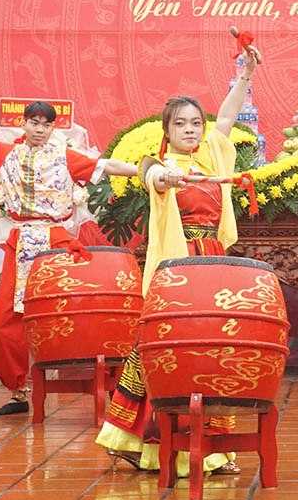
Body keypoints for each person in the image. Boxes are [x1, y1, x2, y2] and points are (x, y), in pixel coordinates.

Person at [95, 39, 260, 475]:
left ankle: (213, 449)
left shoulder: (210, 156)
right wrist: (164, 177)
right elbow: (154, 178)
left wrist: (246, 74)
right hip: (179, 268)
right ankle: (136, 440)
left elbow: (227, 116)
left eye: (195, 123)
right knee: (167, 348)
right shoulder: (157, 162)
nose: (190, 130)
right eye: (180, 124)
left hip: (213, 263)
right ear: (166, 131)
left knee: (212, 350)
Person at [0, 77, 133, 416]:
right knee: (5, 322)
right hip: (21, 242)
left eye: (46, 124)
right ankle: (18, 392)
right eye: (34, 122)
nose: (40, 129)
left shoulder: (65, 157)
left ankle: (103, 386)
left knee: (72, 315)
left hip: (56, 244)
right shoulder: (5, 154)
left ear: (54, 128)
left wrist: (148, 171)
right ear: (23, 124)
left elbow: (108, 166)